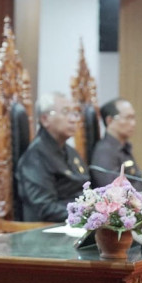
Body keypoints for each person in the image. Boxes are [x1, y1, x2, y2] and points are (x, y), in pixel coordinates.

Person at [15, 92, 90, 222]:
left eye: (75, 113)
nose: (73, 119)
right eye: (66, 112)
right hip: (50, 230)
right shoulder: (35, 157)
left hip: (77, 223)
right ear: (45, 119)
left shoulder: (70, 152)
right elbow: (45, 208)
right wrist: (86, 214)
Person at [90, 97, 142, 188]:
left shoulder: (124, 147)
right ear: (109, 120)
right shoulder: (104, 152)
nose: (133, 123)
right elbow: (113, 190)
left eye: (133, 118)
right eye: (128, 118)